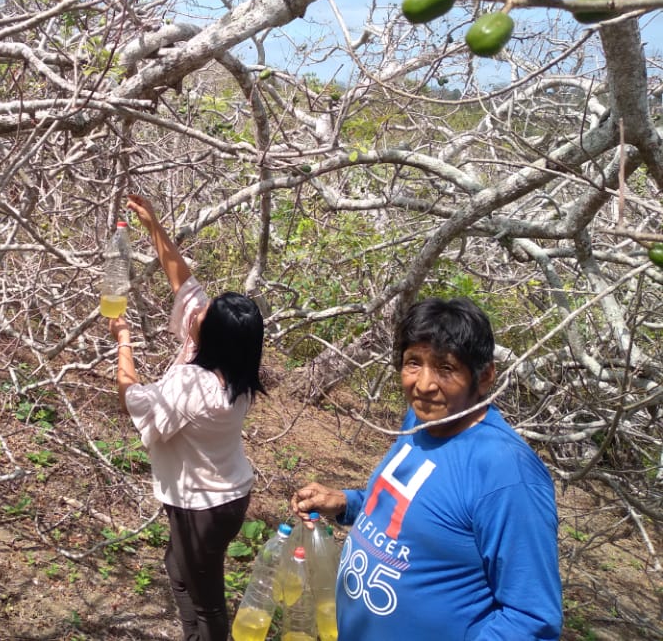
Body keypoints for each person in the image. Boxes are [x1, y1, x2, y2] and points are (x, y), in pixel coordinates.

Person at [292, 297, 562, 640]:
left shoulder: (506, 473)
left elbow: (531, 619)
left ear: (484, 377)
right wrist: (346, 503)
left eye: (445, 368)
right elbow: (414, 510)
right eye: (413, 363)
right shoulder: (420, 421)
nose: (423, 385)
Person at [107, 194, 266, 641]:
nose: (195, 309)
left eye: (202, 315)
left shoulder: (195, 386)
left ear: (211, 336)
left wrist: (123, 340)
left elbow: (131, 399)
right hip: (220, 495)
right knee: (178, 569)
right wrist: (153, 225)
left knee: (207, 598)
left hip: (205, 507)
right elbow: (183, 282)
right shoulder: (233, 364)